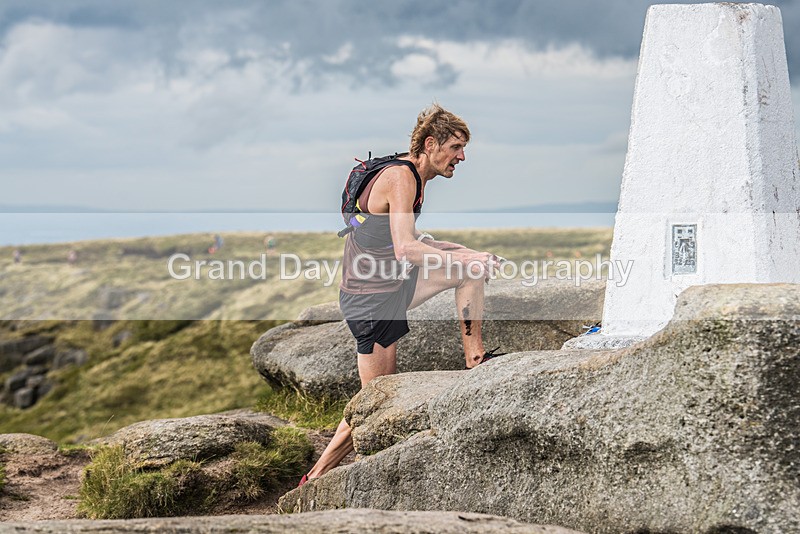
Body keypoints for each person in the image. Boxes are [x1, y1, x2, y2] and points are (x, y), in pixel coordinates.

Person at [298, 104, 504, 486]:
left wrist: (462, 252)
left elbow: (411, 240)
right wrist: (465, 254)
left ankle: (476, 359)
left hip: (392, 283)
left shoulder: (414, 175)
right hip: (371, 300)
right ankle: (315, 477)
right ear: (430, 144)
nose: (462, 156)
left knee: (469, 271)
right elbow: (406, 248)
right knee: (373, 402)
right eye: (456, 146)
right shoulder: (400, 177)